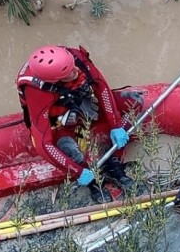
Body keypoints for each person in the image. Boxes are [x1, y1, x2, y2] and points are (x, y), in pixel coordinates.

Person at [17, 44, 135, 194]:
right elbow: (43, 143)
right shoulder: (37, 92)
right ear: (54, 81)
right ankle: (93, 179)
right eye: (68, 74)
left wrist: (115, 124)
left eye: (72, 67)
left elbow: (102, 88)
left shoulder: (75, 59)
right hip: (60, 119)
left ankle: (113, 162)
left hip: (80, 101)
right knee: (68, 147)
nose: (75, 72)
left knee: (133, 105)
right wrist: (77, 171)